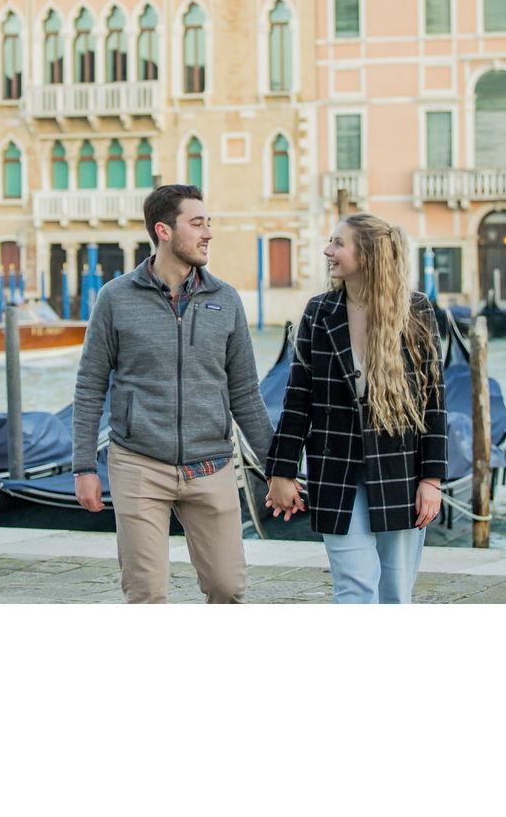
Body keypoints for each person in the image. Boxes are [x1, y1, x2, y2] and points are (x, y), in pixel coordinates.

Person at [71, 184, 274, 604]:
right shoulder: (115, 298)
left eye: (208, 223)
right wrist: (84, 467)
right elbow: (90, 385)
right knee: (146, 592)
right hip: (138, 463)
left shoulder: (226, 300)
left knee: (228, 587)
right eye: (197, 224)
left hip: (211, 464)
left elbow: (245, 393)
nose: (208, 233)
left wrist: (277, 468)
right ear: (164, 231)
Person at [265, 212, 446, 604]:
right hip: (336, 469)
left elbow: (434, 401)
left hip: (400, 469)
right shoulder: (319, 312)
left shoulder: (416, 311)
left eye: (338, 243)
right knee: (354, 588)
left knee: (395, 593)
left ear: (366, 255)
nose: (327, 251)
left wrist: (432, 480)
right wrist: (281, 471)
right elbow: (297, 398)